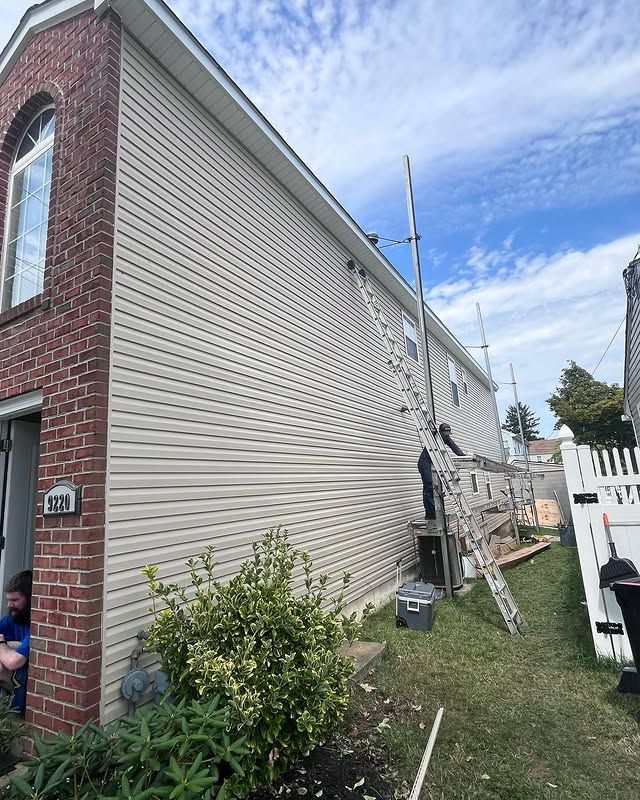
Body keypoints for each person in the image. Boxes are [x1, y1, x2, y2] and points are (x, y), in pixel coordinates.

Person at [0, 570, 32, 714]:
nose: (9, 605)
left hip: (28, 704)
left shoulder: (38, 627)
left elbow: (14, 662)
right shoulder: (11, 619)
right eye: (9, 600)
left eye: (15, 600)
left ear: (29, 599)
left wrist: (1, 645)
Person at [418, 423, 465, 519]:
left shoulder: (446, 438)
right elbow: (428, 432)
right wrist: (432, 431)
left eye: (448, 434)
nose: (447, 436)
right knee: (429, 485)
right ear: (441, 432)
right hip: (425, 463)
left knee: (437, 487)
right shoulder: (435, 436)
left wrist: (465, 458)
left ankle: (436, 510)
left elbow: (455, 447)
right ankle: (430, 513)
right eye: (446, 434)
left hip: (433, 464)